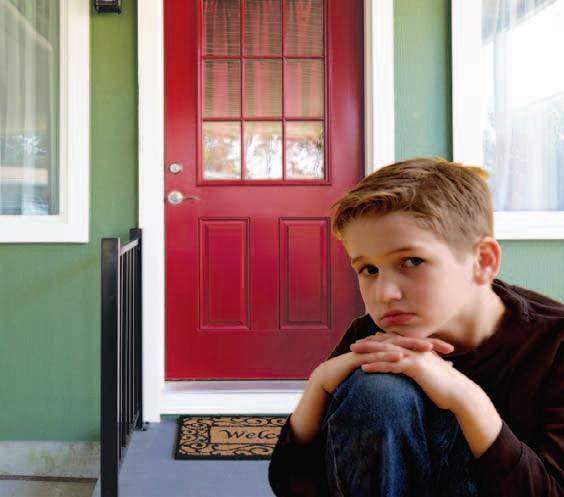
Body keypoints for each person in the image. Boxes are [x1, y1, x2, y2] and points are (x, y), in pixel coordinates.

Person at [267, 157, 563, 497]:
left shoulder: (555, 343)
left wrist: (465, 398)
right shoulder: (375, 336)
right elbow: (293, 486)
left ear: (482, 261)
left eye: (411, 261)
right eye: (369, 269)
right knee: (378, 391)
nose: (385, 294)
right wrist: (318, 385)